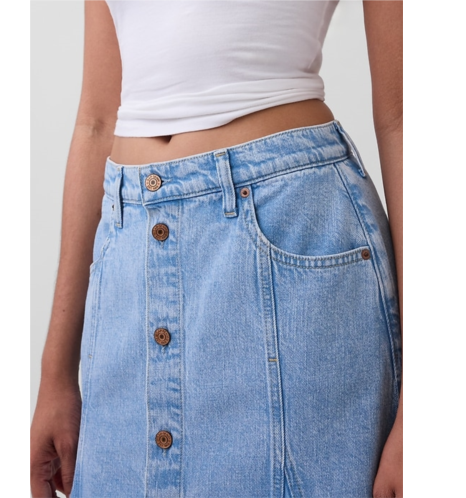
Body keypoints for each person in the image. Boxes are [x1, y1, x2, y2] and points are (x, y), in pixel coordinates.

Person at [30, 0, 403, 497]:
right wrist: (55, 373)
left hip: (284, 239)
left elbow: (399, 119)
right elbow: (97, 121)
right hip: (130, 252)